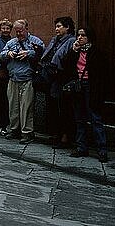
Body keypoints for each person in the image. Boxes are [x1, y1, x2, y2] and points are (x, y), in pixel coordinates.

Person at [63, 26, 108, 162]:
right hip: (78, 87)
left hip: (91, 87)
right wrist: (73, 51)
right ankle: (81, 147)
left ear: (89, 37)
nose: (80, 38)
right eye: (78, 35)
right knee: (79, 118)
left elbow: (102, 73)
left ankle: (102, 150)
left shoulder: (96, 52)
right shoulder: (76, 51)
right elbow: (65, 65)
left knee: (95, 118)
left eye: (83, 35)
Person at [1, 19, 44, 144]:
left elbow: (42, 54)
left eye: (20, 31)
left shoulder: (35, 41)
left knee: (26, 107)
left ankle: (27, 132)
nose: (18, 34)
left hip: (27, 79)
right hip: (13, 78)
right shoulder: (11, 42)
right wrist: (8, 53)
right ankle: (14, 129)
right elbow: (2, 54)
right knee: (13, 107)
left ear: (26, 29)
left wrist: (29, 53)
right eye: (16, 31)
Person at [39, 17, 76, 148]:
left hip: (63, 77)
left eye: (59, 26)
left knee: (64, 108)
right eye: (56, 26)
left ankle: (65, 137)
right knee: (53, 107)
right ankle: (56, 134)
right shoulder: (55, 40)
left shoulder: (71, 41)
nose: (57, 29)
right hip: (51, 77)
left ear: (67, 28)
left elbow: (65, 59)